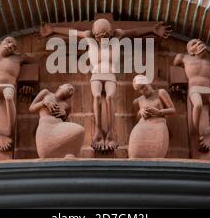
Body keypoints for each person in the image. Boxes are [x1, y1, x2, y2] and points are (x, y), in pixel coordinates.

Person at [40, 18, 171, 153]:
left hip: (110, 75)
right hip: (96, 75)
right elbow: (72, 33)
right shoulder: (88, 37)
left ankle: (111, 132)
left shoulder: (117, 37)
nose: (102, 39)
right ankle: (97, 132)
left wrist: (152, 30)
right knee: (97, 96)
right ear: (94, 34)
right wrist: (53, 30)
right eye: (99, 36)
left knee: (109, 98)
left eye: (106, 35)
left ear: (110, 32)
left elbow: (135, 32)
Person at [0, 36, 35, 151]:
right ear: (0, 43)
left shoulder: (17, 58)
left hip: (8, 87)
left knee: (9, 97)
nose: (10, 46)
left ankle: (9, 131)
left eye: (14, 47)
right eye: (8, 42)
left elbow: (35, 60)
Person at [173, 39, 210, 152]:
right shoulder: (184, 58)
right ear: (189, 51)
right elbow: (175, 64)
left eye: (200, 42)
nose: (199, 44)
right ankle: (195, 130)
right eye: (194, 44)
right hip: (194, 88)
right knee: (197, 105)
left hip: (207, 89)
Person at [29, 84, 85, 158]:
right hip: (46, 129)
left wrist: (64, 114)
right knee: (80, 130)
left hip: (57, 129)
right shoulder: (46, 93)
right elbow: (31, 108)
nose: (71, 89)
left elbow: (64, 124)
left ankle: (67, 152)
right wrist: (43, 103)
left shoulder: (66, 106)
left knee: (80, 130)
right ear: (60, 87)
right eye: (68, 86)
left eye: (72, 90)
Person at [129, 75, 176, 158]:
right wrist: (141, 112)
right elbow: (136, 118)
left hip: (158, 128)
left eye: (143, 86)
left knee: (156, 156)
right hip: (141, 130)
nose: (142, 90)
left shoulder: (161, 93)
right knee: (135, 155)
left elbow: (173, 110)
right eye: (139, 89)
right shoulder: (138, 101)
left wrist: (159, 112)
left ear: (148, 82)